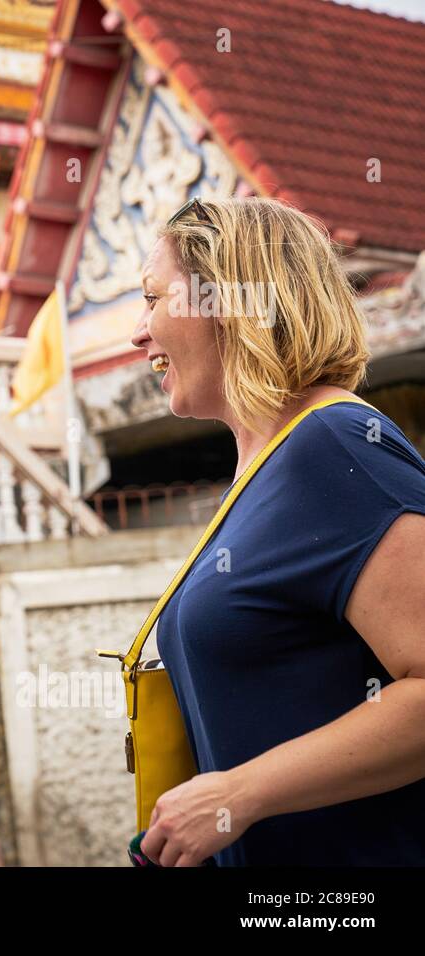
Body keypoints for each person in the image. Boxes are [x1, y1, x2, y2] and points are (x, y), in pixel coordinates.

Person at [129, 196, 425, 865]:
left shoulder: (340, 446)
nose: (137, 332)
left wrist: (240, 793)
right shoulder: (267, 468)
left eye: (152, 299)